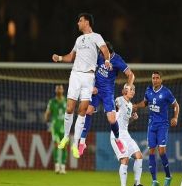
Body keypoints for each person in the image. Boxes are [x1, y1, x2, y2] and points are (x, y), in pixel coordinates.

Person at [51, 13, 125, 157]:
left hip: (89, 77)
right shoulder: (79, 39)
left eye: (80, 20)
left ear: (87, 22)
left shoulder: (96, 37)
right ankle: (66, 136)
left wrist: (108, 60)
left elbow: (104, 50)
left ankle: (76, 143)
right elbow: (71, 57)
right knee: (69, 108)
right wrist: (59, 57)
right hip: (76, 75)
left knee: (83, 110)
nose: (78, 23)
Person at [76, 41, 135, 158]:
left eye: (102, 52)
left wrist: (128, 86)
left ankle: (118, 140)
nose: (100, 54)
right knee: (87, 111)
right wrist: (90, 86)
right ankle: (82, 142)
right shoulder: (98, 57)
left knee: (112, 120)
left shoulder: (117, 60)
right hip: (96, 90)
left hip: (108, 93)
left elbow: (131, 75)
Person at [134, 71, 179, 186]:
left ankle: (168, 176)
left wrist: (175, 117)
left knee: (162, 151)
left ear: (161, 80)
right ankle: (154, 180)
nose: (155, 80)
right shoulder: (148, 90)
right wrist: (136, 106)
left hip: (162, 125)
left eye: (157, 78)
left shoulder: (166, 92)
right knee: (151, 151)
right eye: (153, 78)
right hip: (151, 125)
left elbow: (176, 105)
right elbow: (145, 103)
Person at [111, 84, 148, 186]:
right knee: (125, 159)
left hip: (126, 134)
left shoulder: (130, 105)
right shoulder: (119, 100)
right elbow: (113, 106)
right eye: (130, 89)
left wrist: (132, 118)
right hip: (117, 136)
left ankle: (137, 184)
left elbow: (126, 123)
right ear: (124, 91)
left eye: (134, 89)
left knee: (139, 156)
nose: (133, 91)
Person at [44, 85, 67, 174]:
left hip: (65, 127)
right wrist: (46, 118)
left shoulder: (66, 101)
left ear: (63, 90)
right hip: (55, 126)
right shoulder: (52, 102)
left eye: (60, 88)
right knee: (57, 144)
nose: (59, 90)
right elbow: (47, 113)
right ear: (55, 90)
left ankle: (63, 167)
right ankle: (57, 166)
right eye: (57, 88)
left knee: (64, 146)